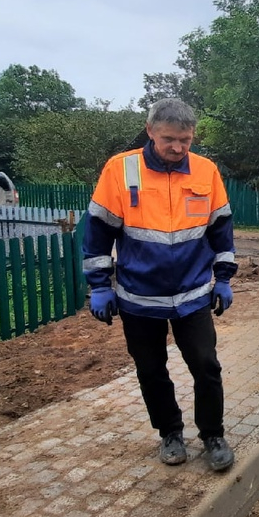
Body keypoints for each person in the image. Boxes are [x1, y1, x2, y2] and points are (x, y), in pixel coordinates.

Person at [83, 97, 237, 472]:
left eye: (185, 139)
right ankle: (169, 432)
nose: (177, 148)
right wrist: (100, 285)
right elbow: (99, 232)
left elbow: (220, 228)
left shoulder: (205, 171)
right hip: (139, 296)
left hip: (193, 293)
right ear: (150, 131)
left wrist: (224, 278)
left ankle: (212, 435)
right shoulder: (121, 170)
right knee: (151, 369)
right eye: (169, 138)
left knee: (206, 365)